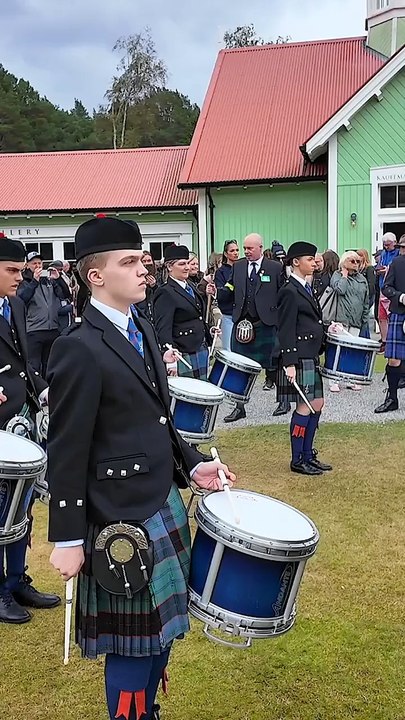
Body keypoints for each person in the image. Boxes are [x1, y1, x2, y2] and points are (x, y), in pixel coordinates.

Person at [47, 215, 236, 720]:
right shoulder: (78, 348)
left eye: (142, 261)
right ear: (95, 276)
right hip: (118, 516)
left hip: (160, 500)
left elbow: (158, 418)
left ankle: (147, 710)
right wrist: (66, 538)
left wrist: (190, 465)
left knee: (160, 638)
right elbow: (66, 449)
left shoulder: (143, 329)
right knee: (133, 647)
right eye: (128, 263)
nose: (142, 271)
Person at [0, 232, 61, 624]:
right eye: (10, 270)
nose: (19, 277)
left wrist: (45, 392)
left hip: (20, 421)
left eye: (21, 270)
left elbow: (24, 362)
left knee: (21, 505)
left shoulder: (15, 305)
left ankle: (16, 581)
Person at [212, 233, 286, 422]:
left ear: (260, 248)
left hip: (267, 323)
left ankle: (283, 401)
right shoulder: (238, 267)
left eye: (250, 248)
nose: (246, 252)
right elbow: (229, 288)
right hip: (243, 324)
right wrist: (217, 292)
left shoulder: (275, 268)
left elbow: (283, 295)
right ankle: (239, 407)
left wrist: (280, 319)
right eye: (244, 248)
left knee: (275, 364)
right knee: (240, 367)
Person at [277, 241, 331, 476]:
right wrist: (289, 363)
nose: (314, 262)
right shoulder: (289, 290)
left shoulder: (307, 286)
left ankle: (308, 454)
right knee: (304, 407)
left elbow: (312, 321)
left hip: (310, 354)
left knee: (316, 404)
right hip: (298, 357)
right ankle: (297, 459)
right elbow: (285, 328)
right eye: (310, 259)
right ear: (296, 262)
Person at [153, 245, 215, 380]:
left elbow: (196, 317)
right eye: (182, 264)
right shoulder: (165, 292)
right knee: (189, 398)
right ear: (169, 267)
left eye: (188, 263)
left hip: (200, 347)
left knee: (202, 395)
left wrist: (209, 330)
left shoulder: (191, 286)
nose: (187, 267)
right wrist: (170, 361)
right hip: (182, 353)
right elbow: (163, 328)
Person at [17, 251, 72, 377]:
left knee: (50, 365)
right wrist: (34, 281)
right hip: (34, 330)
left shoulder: (49, 280)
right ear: (27, 265)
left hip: (52, 328)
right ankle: (35, 393)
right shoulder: (23, 281)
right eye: (34, 263)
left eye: (40, 263)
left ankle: (50, 391)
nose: (38, 266)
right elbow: (22, 299)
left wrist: (58, 279)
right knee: (34, 365)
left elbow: (65, 295)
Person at [329, 251, 369, 392]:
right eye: (352, 261)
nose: (356, 264)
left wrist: (365, 320)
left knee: (352, 351)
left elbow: (366, 300)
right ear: (344, 261)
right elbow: (340, 289)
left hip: (356, 321)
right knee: (338, 350)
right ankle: (334, 380)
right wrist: (344, 275)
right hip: (341, 319)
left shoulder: (362, 279)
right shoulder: (337, 275)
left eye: (358, 261)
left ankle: (351, 379)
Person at [375, 235, 405, 414]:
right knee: (394, 360)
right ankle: (392, 398)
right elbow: (386, 287)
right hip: (400, 313)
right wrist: (400, 296)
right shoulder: (397, 263)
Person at [376, 232, 399, 353]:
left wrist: (388, 270)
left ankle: (391, 340)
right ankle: (384, 341)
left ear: (394, 243)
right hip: (382, 287)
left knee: (391, 315)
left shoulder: (398, 254)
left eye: (388, 244)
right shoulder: (384, 253)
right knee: (381, 316)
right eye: (384, 244)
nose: (386, 247)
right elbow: (380, 265)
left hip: (393, 289)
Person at [215, 240, 239, 351]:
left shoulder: (242, 268)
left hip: (242, 316)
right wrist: (232, 285)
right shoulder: (221, 272)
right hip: (228, 315)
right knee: (228, 349)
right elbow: (221, 294)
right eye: (232, 250)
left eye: (237, 250)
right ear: (226, 253)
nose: (236, 253)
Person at [357, 248, 376, 336]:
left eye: (360, 255)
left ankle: (366, 336)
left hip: (368, 297)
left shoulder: (369, 268)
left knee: (364, 317)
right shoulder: (358, 269)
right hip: (360, 297)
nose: (358, 258)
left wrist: (367, 297)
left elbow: (371, 285)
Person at [137, 251, 158, 324]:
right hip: (143, 314)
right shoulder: (136, 276)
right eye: (144, 261)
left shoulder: (159, 275)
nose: (146, 263)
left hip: (156, 315)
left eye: (149, 260)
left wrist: (154, 286)